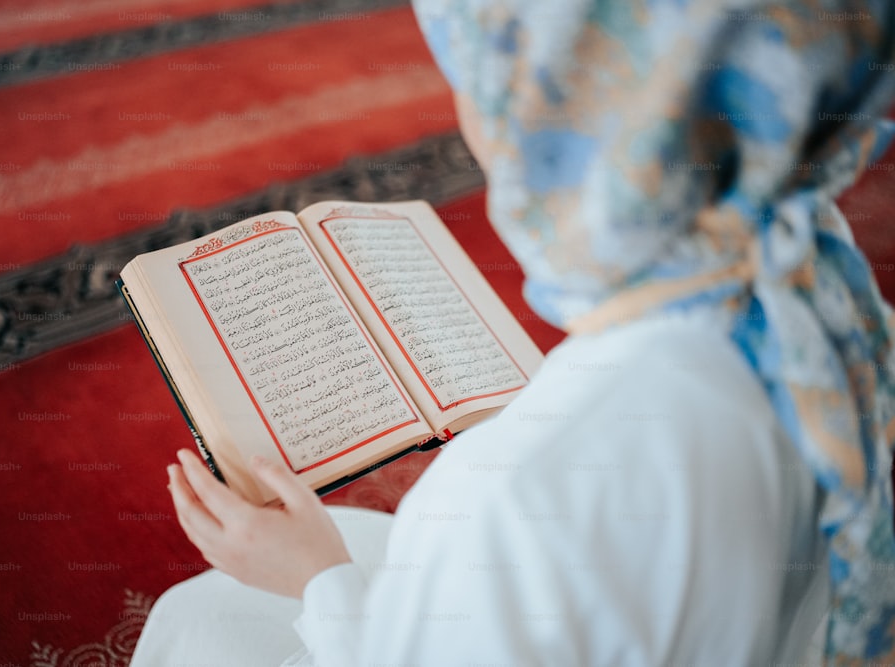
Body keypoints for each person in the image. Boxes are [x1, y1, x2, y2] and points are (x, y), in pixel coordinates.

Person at [131, 0, 895, 664]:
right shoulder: (823, 287)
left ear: (561, 104)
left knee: (200, 616)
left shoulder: (521, 494)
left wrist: (315, 579)